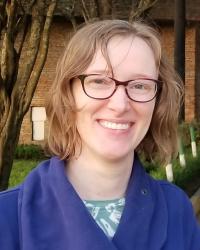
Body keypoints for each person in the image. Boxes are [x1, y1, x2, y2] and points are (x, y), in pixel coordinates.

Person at [0, 19, 199, 250]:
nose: (120, 104)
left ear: (158, 101)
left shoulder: (177, 210)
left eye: (140, 85)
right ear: (68, 94)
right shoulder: (7, 217)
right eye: (99, 81)